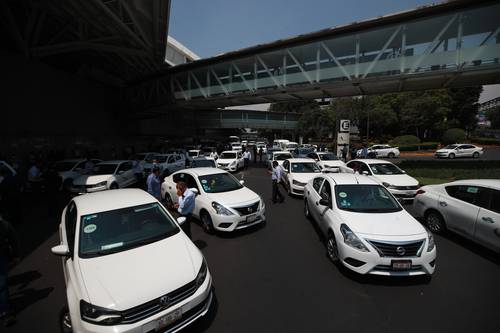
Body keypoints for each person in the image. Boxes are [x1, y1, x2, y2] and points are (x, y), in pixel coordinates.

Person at [0, 215, 20, 327]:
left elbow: (12, 237)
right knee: (2, 286)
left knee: (2, 286)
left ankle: (5, 312)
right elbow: (12, 238)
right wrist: (16, 255)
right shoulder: (4, 224)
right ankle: (6, 313)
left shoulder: (4, 225)